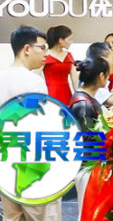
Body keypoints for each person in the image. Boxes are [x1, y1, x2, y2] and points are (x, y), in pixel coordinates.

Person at [0, 25, 61, 221]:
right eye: (42, 48)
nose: (46, 54)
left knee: (12, 217)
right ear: (27, 49)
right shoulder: (34, 82)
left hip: (3, 164)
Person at [69, 56, 109, 221]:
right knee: (89, 214)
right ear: (101, 76)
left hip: (92, 167)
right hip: (88, 168)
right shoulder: (84, 104)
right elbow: (88, 141)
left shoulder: (86, 100)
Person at [43, 25, 77, 105]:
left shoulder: (68, 55)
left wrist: (79, 97)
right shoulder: (45, 55)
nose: (71, 42)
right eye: (69, 39)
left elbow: (75, 80)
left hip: (66, 93)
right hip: (50, 93)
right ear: (61, 40)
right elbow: (36, 75)